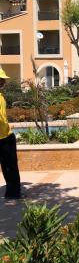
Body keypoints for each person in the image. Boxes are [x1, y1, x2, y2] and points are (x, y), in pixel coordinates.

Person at [0, 68, 22, 199]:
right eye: (0, 79)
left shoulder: (1, 97)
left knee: (10, 167)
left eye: (3, 80)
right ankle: (12, 192)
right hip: (4, 138)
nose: (3, 82)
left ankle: (13, 192)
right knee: (9, 167)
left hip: (6, 136)